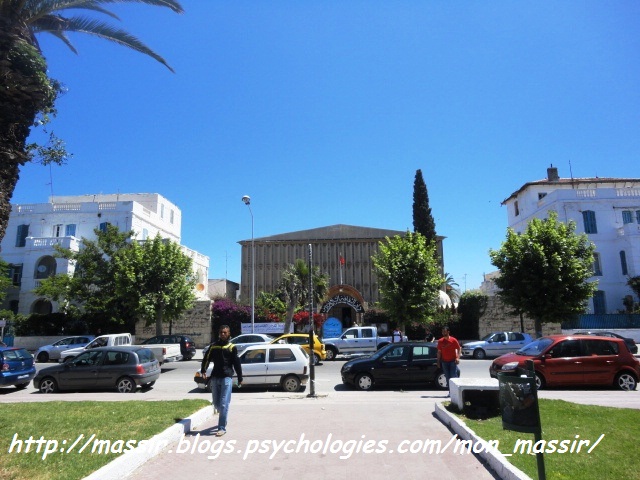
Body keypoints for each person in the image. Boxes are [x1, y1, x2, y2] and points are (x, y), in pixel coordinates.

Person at [200, 325, 243, 436]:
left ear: (229, 334)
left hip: (227, 378)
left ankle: (221, 428)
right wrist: (203, 370)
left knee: (224, 404)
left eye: (225, 332)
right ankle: (223, 418)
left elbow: (236, 363)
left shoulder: (232, 347)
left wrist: (240, 377)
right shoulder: (213, 346)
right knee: (216, 404)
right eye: (221, 332)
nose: (223, 334)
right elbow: (207, 358)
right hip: (215, 377)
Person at [436, 326, 460, 391]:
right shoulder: (440, 341)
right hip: (444, 362)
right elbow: (439, 352)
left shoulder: (453, 340)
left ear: (448, 332)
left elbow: (458, 348)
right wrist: (438, 361)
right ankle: (450, 392)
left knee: (453, 377)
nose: (443, 333)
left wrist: (457, 357)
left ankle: (456, 391)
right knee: (447, 377)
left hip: (452, 361)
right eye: (442, 331)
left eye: (444, 331)